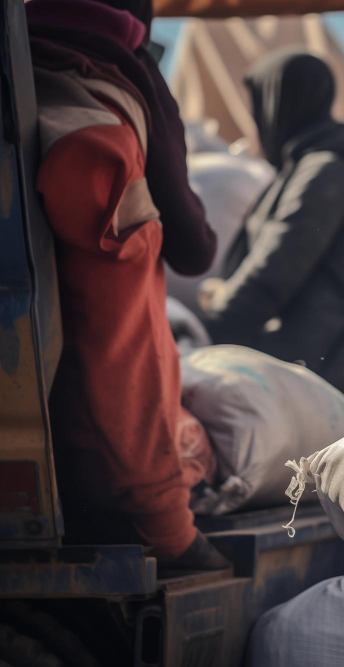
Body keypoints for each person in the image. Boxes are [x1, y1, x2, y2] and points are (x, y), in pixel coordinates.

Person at [26, 0, 228, 569]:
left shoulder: (21, 50)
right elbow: (192, 251)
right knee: (123, 329)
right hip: (90, 152)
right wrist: (169, 528)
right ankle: (164, 525)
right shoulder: (119, 69)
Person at [199, 51, 344, 405]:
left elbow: (271, 276)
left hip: (307, 370)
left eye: (260, 104)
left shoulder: (325, 171)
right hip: (315, 360)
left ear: (280, 103)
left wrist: (202, 336)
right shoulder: (319, 163)